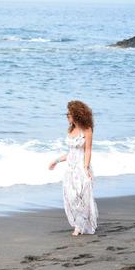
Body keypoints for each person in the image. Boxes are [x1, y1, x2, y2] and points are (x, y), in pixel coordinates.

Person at [48, 100, 98, 236]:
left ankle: (80, 226)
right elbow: (70, 153)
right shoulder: (71, 130)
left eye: (68, 114)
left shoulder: (87, 130)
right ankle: (78, 224)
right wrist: (56, 161)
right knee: (71, 197)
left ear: (76, 114)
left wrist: (86, 168)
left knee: (81, 198)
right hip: (70, 169)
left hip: (82, 168)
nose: (67, 116)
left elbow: (88, 150)